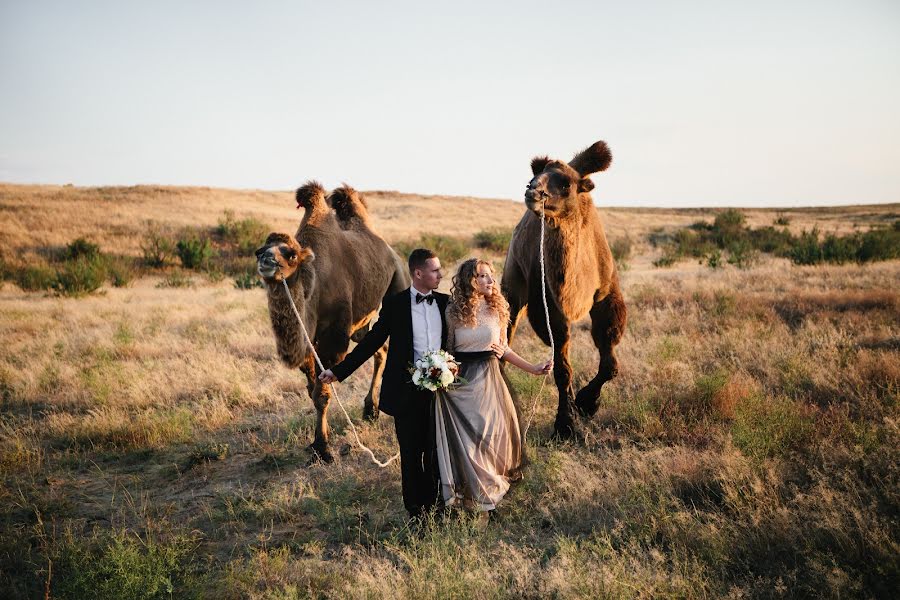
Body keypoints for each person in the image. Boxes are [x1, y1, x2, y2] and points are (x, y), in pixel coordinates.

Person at [319, 248, 448, 521]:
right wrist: (339, 371)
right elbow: (371, 342)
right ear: (418, 273)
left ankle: (438, 510)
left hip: (441, 394)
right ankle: (417, 514)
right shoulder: (396, 305)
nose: (440, 275)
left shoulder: (446, 304)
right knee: (411, 456)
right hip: (405, 392)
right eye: (435, 270)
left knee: (437, 455)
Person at [436, 258, 552, 514]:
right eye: (483, 276)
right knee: (467, 441)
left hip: (490, 379)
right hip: (461, 384)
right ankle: (471, 496)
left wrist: (533, 368)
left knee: (491, 437)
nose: (490, 281)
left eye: (491, 276)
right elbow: (449, 350)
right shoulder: (453, 311)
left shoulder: (498, 308)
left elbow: (504, 349)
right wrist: (442, 374)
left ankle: (490, 497)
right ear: (470, 281)